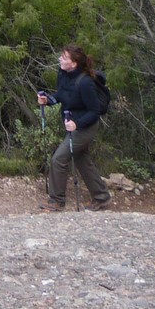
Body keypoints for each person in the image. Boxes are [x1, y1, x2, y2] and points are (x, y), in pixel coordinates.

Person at [37, 45, 112, 211]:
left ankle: (57, 201)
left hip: (85, 127)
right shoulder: (64, 74)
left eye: (64, 57)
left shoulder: (85, 83)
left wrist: (77, 124)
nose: (59, 59)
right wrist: (48, 100)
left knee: (58, 159)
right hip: (73, 125)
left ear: (74, 63)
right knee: (82, 160)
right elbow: (62, 95)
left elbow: (94, 111)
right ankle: (101, 197)